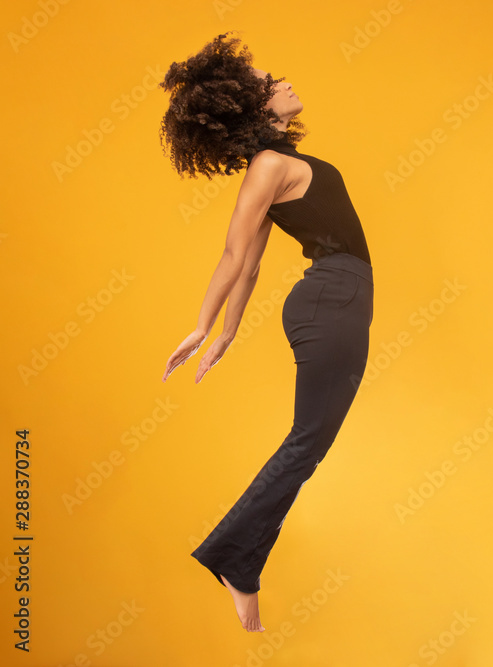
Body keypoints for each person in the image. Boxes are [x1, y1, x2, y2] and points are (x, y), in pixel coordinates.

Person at [158, 32, 374, 633]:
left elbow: (253, 266)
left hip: (337, 297)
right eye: (268, 85)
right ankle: (235, 561)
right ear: (250, 109)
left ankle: (240, 563)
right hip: (332, 294)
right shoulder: (270, 166)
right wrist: (202, 324)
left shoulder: (277, 165)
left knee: (309, 443)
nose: (282, 82)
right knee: (308, 442)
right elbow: (234, 254)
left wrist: (227, 334)